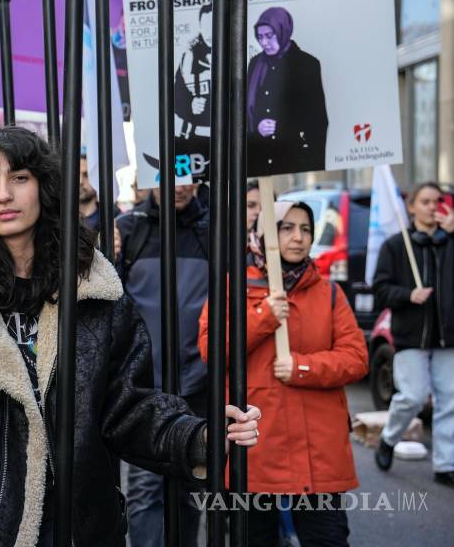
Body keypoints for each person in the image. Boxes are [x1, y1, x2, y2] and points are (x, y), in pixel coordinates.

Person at [0, 126, 260, 546]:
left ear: (44, 186)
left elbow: (129, 406)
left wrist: (198, 437)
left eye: (19, 178)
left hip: (76, 526)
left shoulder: (91, 289)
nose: (4, 195)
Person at [199, 201, 368, 547]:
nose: (298, 237)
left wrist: (303, 367)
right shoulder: (233, 287)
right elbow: (211, 351)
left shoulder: (329, 292)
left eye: (305, 229)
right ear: (263, 235)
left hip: (318, 454)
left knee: (327, 540)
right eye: (286, 228)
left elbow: (356, 358)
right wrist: (264, 316)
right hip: (258, 448)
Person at [115, 183, 210, 547]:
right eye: (170, 172)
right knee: (145, 492)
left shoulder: (213, 230)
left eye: (186, 173)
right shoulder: (128, 229)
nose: (178, 184)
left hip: (198, 384)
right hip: (146, 388)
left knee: (191, 491)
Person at [373, 181, 454, 488]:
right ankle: (388, 438)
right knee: (413, 396)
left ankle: (445, 464)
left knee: (450, 400)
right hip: (411, 335)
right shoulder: (396, 246)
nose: (432, 207)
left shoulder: (450, 241)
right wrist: (408, 295)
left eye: (437, 201)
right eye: (425, 201)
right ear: (411, 207)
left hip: (448, 336)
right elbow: (380, 289)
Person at [246, 7, 328, 176]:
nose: (264, 42)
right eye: (260, 37)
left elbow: (317, 119)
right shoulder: (255, 64)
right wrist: (256, 128)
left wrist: (283, 126)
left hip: (293, 158)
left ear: (283, 31)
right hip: (260, 158)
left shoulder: (306, 64)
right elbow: (244, 111)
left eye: (269, 35)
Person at [174, 3, 213, 145]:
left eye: (212, 25)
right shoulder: (188, 57)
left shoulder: (240, 55)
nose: (208, 33)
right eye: (204, 26)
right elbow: (176, 97)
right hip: (195, 138)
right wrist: (190, 104)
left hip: (230, 137)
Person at [79, 153, 100, 233]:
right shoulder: (59, 219)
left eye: (86, 175)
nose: (80, 181)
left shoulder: (114, 218)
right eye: (76, 175)